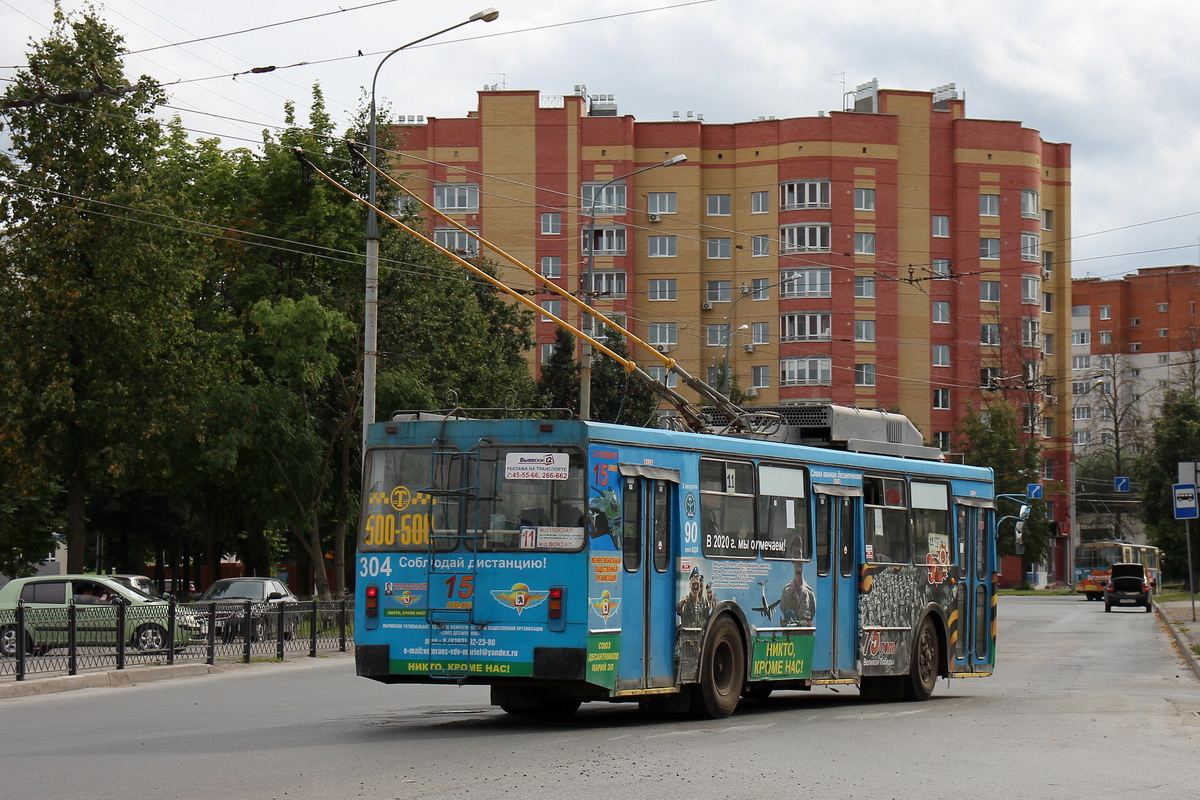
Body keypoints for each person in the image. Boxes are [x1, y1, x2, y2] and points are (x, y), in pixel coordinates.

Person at [779, 537, 816, 627]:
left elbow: (812, 615)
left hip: (805, 639)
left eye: (799, 554)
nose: (798, 558)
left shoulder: (810, 594)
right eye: (795, 554)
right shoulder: (786, 592)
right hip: (790, 639)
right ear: (792, 560)